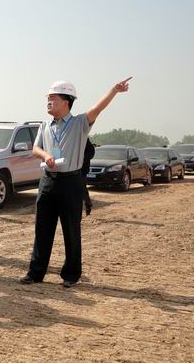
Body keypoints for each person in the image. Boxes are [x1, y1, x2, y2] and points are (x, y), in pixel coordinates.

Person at [20, 78, 131, 288]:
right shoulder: (45, 125)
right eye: (48, 98)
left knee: (71, 230)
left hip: (70, 182)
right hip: (47, 181)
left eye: (53, 98)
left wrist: (114, 90)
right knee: (42, 229)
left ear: (66, 101)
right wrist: (45, 155)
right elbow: (35, 148)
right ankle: (35, 272)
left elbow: (97, 108)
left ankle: (71, 275)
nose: (48, 102)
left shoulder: (80, 123)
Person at [82, 138, 95, 216]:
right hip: (70, 169)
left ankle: (88, 204)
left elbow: (91, 152)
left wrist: (83, 159)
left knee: (82, 187)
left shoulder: (84, 139)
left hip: (82, 169)